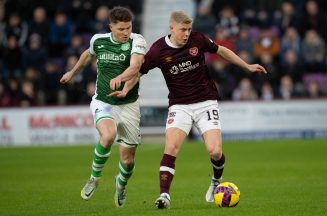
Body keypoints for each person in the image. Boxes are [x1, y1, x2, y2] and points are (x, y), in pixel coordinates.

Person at [110, 11, 267, 209]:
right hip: (179, 105)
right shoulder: (158, 50)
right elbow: (139, 72)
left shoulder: (198, 39)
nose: (186, 34)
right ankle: (164, 196)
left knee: (215, 151)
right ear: (172, 29)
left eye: (189, 29)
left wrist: (247, 66)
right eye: (183, 30)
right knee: (171, 148)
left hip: (206, 102)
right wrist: (125, 89)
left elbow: (221, 51)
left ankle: (215, 181)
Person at [60, 6, 146, 208]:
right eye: (121, 29)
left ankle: (121, 185)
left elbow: (136, 67)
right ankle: (94, 178)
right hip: (104, 101)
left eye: (129, 28)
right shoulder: (98, 41)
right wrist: (71, 73)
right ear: (111, 27)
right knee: (107, 136)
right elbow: (86, 56)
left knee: (128, 161)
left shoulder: (138, 40)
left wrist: (121, 78)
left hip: (129, 105)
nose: (126, 32)